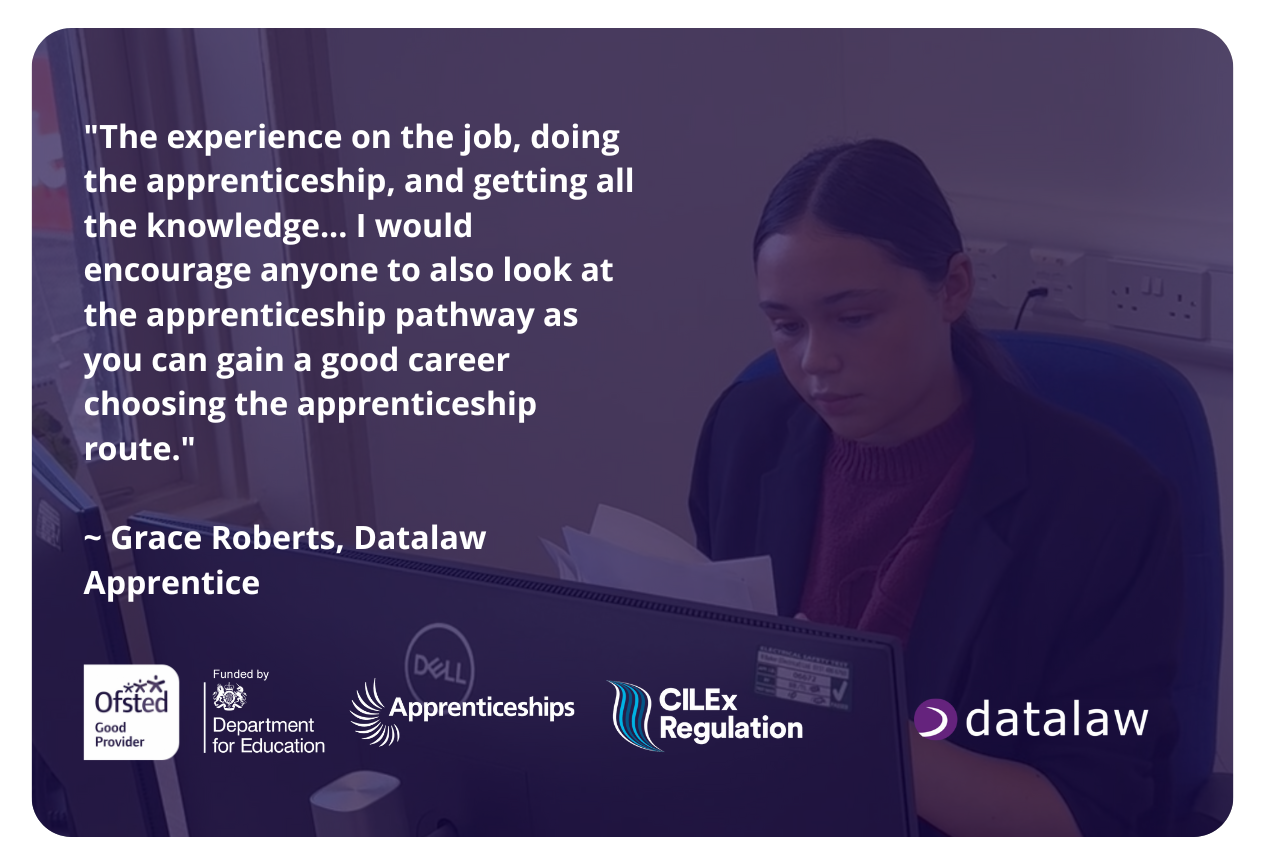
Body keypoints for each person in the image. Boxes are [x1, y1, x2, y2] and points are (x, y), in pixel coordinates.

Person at [688, 140, 1183, 837]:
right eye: (785, 325)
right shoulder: (746, 433)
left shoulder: (1104, 504)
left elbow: (1087, 811)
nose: (815, 359)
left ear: (952, 288)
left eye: (854, 318)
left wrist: (841, 710)